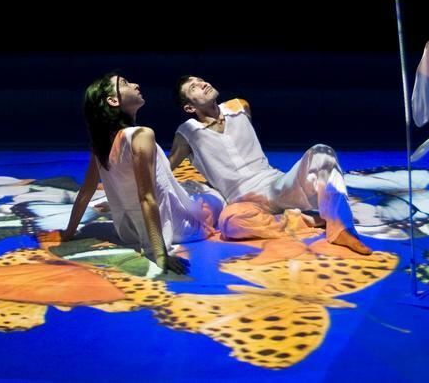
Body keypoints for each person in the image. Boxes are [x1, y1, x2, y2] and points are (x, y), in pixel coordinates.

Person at [169, 75, 371, 254]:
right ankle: (306, 220)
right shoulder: (188, 133)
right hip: (242, 201)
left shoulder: (239, 106)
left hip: (274, 185)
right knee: (229, 223)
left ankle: (341, 228)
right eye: (194, 87)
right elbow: (165, 169)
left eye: (201, 80)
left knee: (322, 153)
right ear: (189, 108)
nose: (203, 84)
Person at [63, 73, 222, 273]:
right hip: (180, 226)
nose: (136, 84)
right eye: (125, 83)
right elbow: (146, 197)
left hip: (129, 232)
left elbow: (86, 191)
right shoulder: (141, 135)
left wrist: (68, 233)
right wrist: (160, 254)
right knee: (217, 196)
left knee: (190, 187)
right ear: (113, 101)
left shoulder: (102, 143)